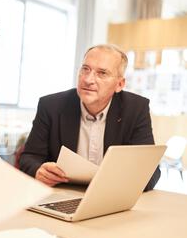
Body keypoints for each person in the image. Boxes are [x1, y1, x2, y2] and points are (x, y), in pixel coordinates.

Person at [19, 44, 160, 191]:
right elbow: (29, 158)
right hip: (62, 193)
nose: (88, 79)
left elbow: (150, 172)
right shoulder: (51, 106)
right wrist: (38, 170)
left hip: (111, 195)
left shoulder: (136, 109)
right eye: (85, 69)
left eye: (102, 73)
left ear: (119, 84)